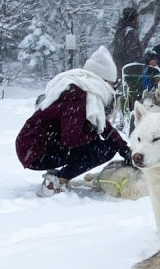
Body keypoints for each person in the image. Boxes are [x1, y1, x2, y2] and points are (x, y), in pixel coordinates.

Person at [15, 46, 132, 196]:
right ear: (102, 80)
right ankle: (56, 180)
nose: (111, 89)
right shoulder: (78, 95)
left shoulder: (84, 92)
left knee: (103, 145)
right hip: (35, 151)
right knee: (102, 149)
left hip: (33, 146)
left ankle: (58, 175)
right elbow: (70, 138)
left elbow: (105, 128)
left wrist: (126, 151)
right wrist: (94, 134)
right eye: (111, 84)